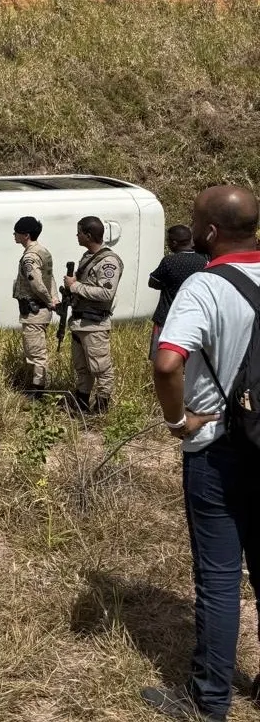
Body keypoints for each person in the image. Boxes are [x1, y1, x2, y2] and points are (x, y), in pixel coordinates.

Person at [143, 186, 260, 722]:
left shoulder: (205, 286)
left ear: (210, 232)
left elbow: (167, 362)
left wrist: (177, 422)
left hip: (218, 447)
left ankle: (209, 699)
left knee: (218, 578)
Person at [64, 216, 123, 414]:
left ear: (88, 235)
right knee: (82, 367)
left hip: (94, 324)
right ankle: (81, 404)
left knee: (101, 368)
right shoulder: (87, 256)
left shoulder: (108, 262)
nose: (77, 235)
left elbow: (106, 293)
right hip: (79, 322)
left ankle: (101, 409)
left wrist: (75, 286)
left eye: (79, 232)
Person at [12, 216, 59, 393]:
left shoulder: (29, 257)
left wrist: (49, 300)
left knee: (35, 353)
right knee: (35, 350)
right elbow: (50, 278)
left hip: (34, 311)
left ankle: (37, 390)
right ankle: (36, 387)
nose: (14, 235)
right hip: (40, 309)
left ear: (26, 235)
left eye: (16, 232)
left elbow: (36, 283)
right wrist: (54, 298)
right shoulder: (43, 252)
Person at [147, 225, 208, 361]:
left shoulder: (169, 261)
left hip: (166, 318)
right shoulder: (203, 262)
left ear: (174, 243)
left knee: (162, 360)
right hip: (193, 319)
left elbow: (152, 282)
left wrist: (167, 284)